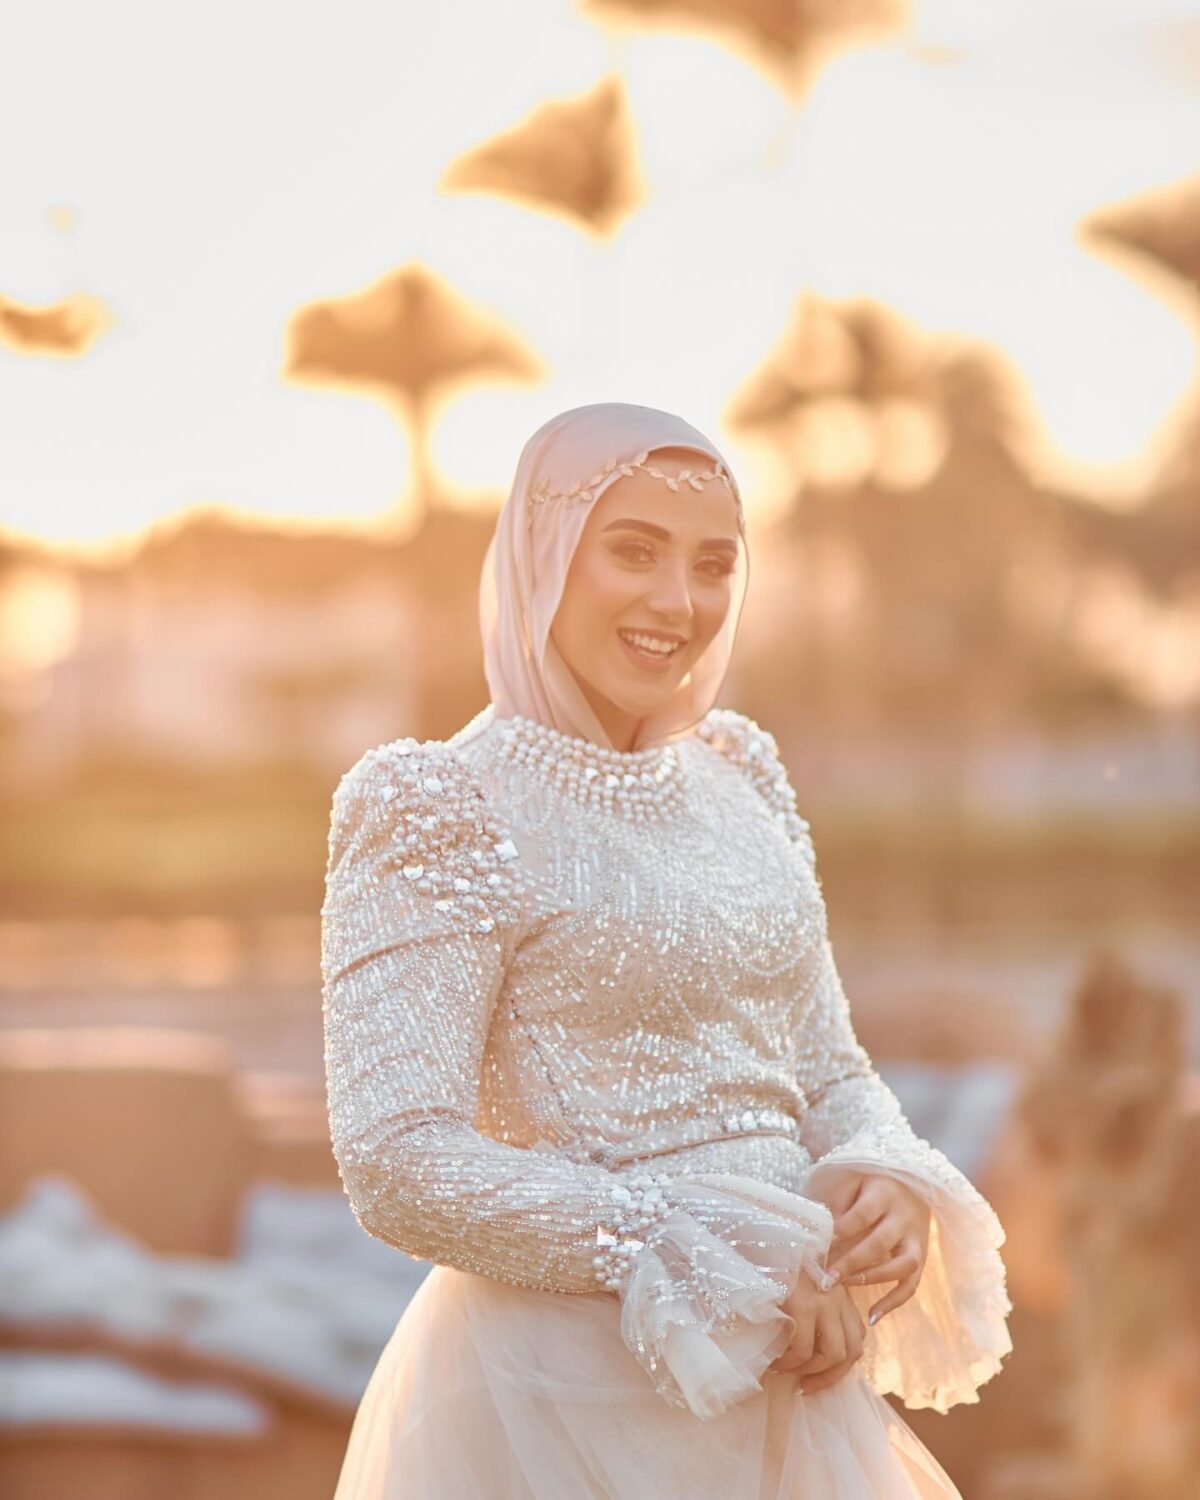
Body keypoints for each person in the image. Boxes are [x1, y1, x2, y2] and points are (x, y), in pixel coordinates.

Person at [319, 402, 1013, 1499]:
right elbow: (397, 1160)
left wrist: (885, 1175)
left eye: (713, 564)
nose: (677, 602)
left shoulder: (741, 771)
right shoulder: (435, 803)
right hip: (554, 1404)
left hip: (794, 1392)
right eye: (634, 552)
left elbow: (825, 1068)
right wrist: (701, 1249)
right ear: (543, 554)